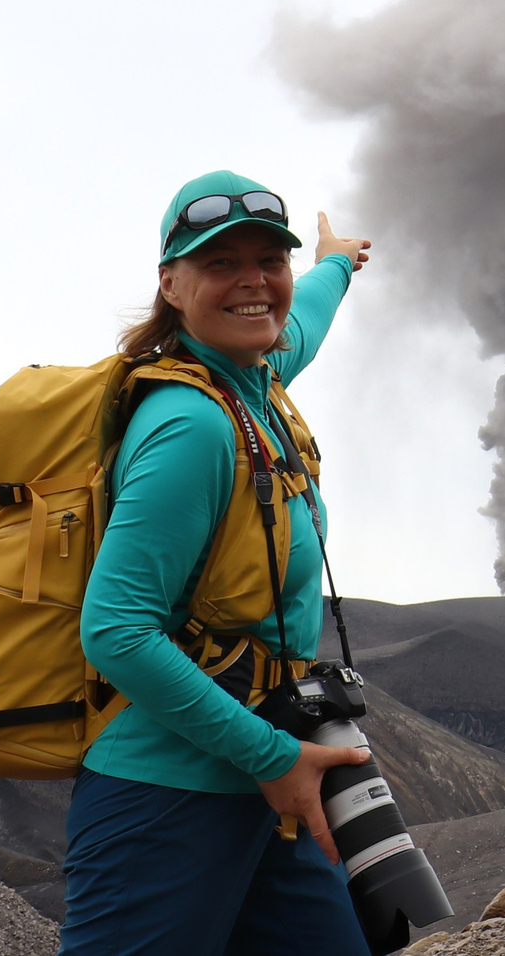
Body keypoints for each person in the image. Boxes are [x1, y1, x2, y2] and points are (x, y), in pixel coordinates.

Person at [64, 169, 374, 955]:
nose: (253, 284)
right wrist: (272, 758)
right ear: (171, 284)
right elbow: (117, 631)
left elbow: (296, 321)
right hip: (167, 795)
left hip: (265, 780)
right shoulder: (191, 427)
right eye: (221, 264)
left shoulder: (255, 381)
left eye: (270, 261)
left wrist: (336, 262)